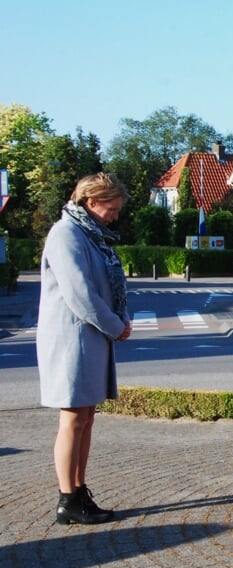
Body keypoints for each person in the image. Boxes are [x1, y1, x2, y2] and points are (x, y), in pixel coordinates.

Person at [36, 173, 132, 525]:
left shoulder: (90, 235)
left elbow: (104, 286)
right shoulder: (66, 234)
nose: (115, 216)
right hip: (72, 337)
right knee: (73, 419)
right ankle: (67, 498)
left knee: (86, 418)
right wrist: (114, 324)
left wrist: (118, 318)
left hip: (90, 336)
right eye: (112, 208)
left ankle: (78, 491)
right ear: (92, 202)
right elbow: (80, 294)